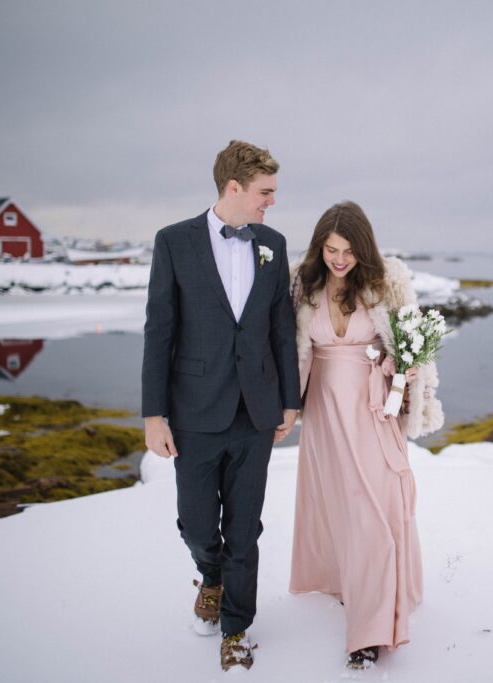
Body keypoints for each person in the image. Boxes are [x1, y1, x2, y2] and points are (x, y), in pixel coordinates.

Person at [141, 139, 301, 672]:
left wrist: (289, 402)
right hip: (194, 412)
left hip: (256, 414)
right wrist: (153, 414)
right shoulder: (174, 242)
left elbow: (282, 328)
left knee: (245, 526)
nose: (271, 202)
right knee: (196, 524)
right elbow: (159, 331)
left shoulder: (274, 245)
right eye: (265, 192)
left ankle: (236, 627)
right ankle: (210, 576)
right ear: (234, 188)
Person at [288, 201, 444, 669]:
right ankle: (349, 583)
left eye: (349, 251)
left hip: (373, 412)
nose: (339, 259)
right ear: (320, 248)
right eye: (331, 249)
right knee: (338, 505)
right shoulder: (303, 284)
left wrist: (408, 369)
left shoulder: (387, 284)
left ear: (364, 249)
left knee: (375, 512)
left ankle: (369, 632)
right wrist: (282, 406)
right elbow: (287, 349)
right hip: (322, 415)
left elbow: (413, 348)